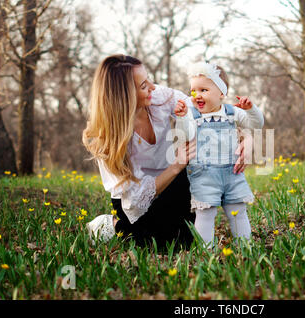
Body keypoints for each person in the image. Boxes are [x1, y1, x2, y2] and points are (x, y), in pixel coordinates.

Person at [82, 55, 249, 250]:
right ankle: (112, 226)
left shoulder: (159, 97)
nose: (152, 87)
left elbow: (205, 109)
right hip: (136, 200)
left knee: (187, 237)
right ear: (126, 96)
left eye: (149, 79)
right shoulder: (109, 139)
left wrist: (246, 137)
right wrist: (176, 165)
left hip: (174, 183)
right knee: (160, 243)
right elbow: (135, 201)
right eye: (143, 85)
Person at [173, 61, 264, 247]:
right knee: (205, 214)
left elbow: (256, 125)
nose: (197, 95)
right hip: (204, 175)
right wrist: (181, 118)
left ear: (221, 93)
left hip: (233, 173)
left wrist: (251, 110)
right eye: (193, 91)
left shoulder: (233, 112)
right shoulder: (191, 114)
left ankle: (244, 247)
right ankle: (206, 251)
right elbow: (185, 135)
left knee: (237, 210)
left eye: (203, 90)